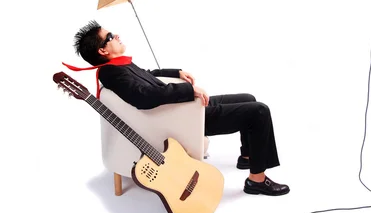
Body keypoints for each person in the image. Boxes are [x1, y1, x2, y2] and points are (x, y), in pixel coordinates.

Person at [66, 20, 290, 196]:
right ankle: (256, 180)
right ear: (103, 50)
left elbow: (148, 76)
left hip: (181, 109)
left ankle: (249, 158)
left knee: (247, 97)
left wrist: (176, 73)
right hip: (182, 118)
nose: (117, 36)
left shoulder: (117, 66)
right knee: (259, 111)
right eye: (111, 36)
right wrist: (188, 90)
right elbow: (144, 97)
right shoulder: (113, 73)